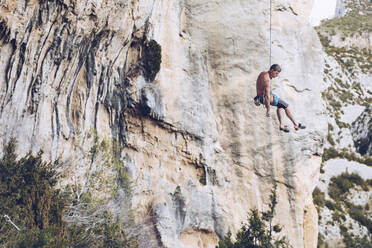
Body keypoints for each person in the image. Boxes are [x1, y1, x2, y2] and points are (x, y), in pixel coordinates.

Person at [254, 64, 305, 132]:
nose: (276, 75)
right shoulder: (267, 81)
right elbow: (267, 96)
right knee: (285, 105)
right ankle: (295, 124)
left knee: (279, 106)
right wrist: (268, 110)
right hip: (264, 98)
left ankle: (281, 125)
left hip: (260, 97)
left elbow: (262, 88)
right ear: (272, 70)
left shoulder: (263, 74)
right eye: (276, 73)